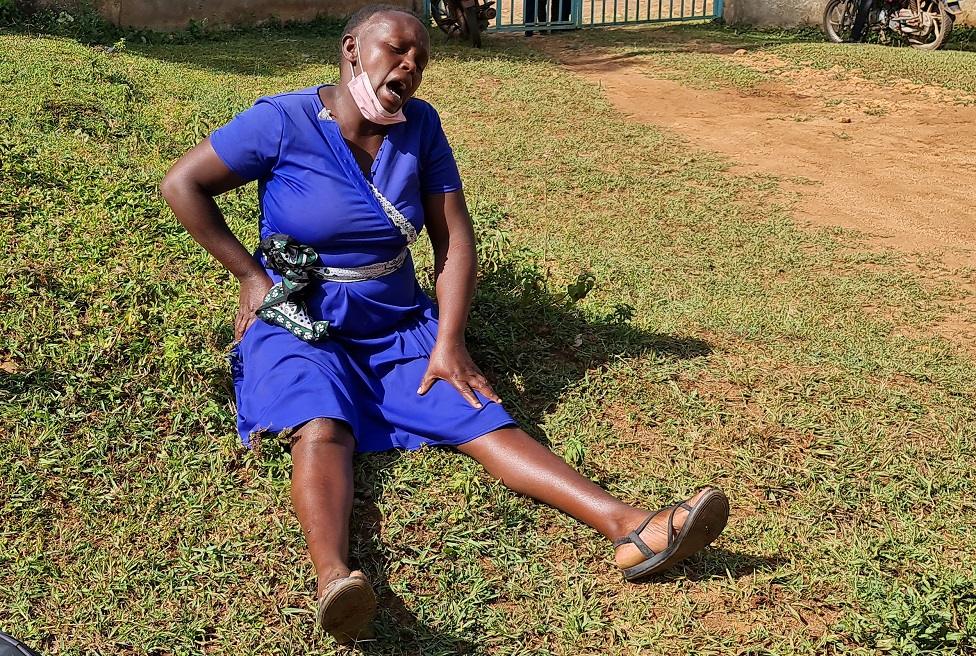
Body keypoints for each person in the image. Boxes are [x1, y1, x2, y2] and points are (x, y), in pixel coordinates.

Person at [160, 3, 729, 643]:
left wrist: (449, 343)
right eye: (396, 49)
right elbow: (182, 184)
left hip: (396, 321)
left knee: (480, 416)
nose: (408, 66)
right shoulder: (281, 121)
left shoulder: (419, 127)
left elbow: (453, 237)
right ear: (352, 48)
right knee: (321, 425)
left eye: (420, 60)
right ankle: (335, 580)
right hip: (301, 320)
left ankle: (631, 527)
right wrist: (250, 276)